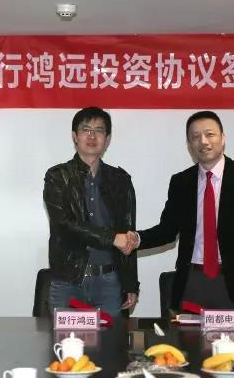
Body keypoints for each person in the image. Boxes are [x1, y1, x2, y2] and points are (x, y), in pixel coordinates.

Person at [124, 110, 234, 317]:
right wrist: (137, 238)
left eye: (210, 134)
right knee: (188, 338)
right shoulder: (181, 182)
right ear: (189, 144)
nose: (203, 141)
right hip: (192, 281)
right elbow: (167, 230)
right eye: (195, 137)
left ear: (223, 138)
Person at [43, 106, 139, 317]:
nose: (92, 136)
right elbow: (64, 225)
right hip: (68, 281)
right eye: (86, 129)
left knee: (111, 339)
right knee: (65, 339)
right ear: (74, 136)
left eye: (99, 130)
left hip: (109, 283)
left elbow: (128, 232)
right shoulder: (58, 177)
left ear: (108, 139)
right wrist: (112, 238)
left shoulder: (120, 180)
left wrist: (131, 283)